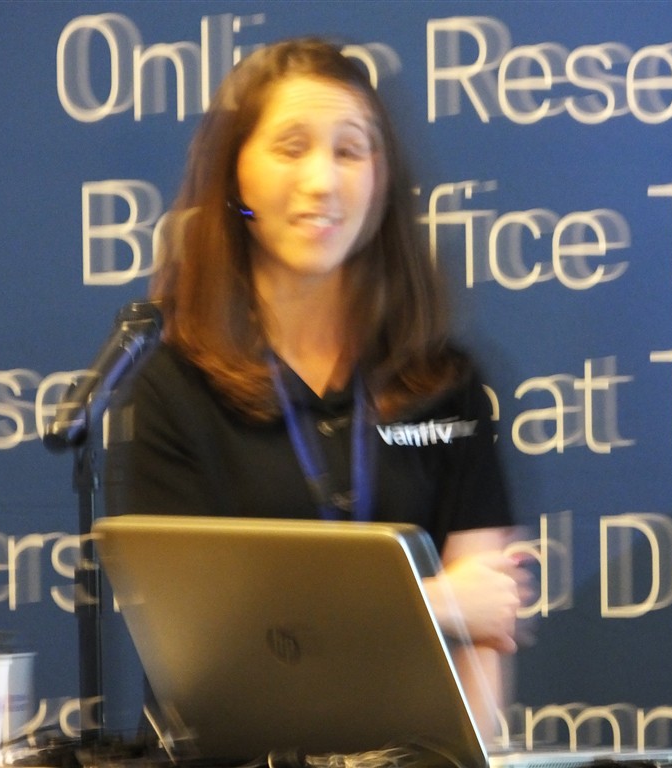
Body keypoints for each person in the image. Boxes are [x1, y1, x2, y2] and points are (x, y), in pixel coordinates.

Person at [104, 37, 526, 739]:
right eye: (291, 147)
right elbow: (219, 647)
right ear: (236, 176)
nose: (322, 180)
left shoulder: (445, 379)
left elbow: (487, 625)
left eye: (350, 150)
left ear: (381, 179)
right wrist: (434, 605)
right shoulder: (174, 387)